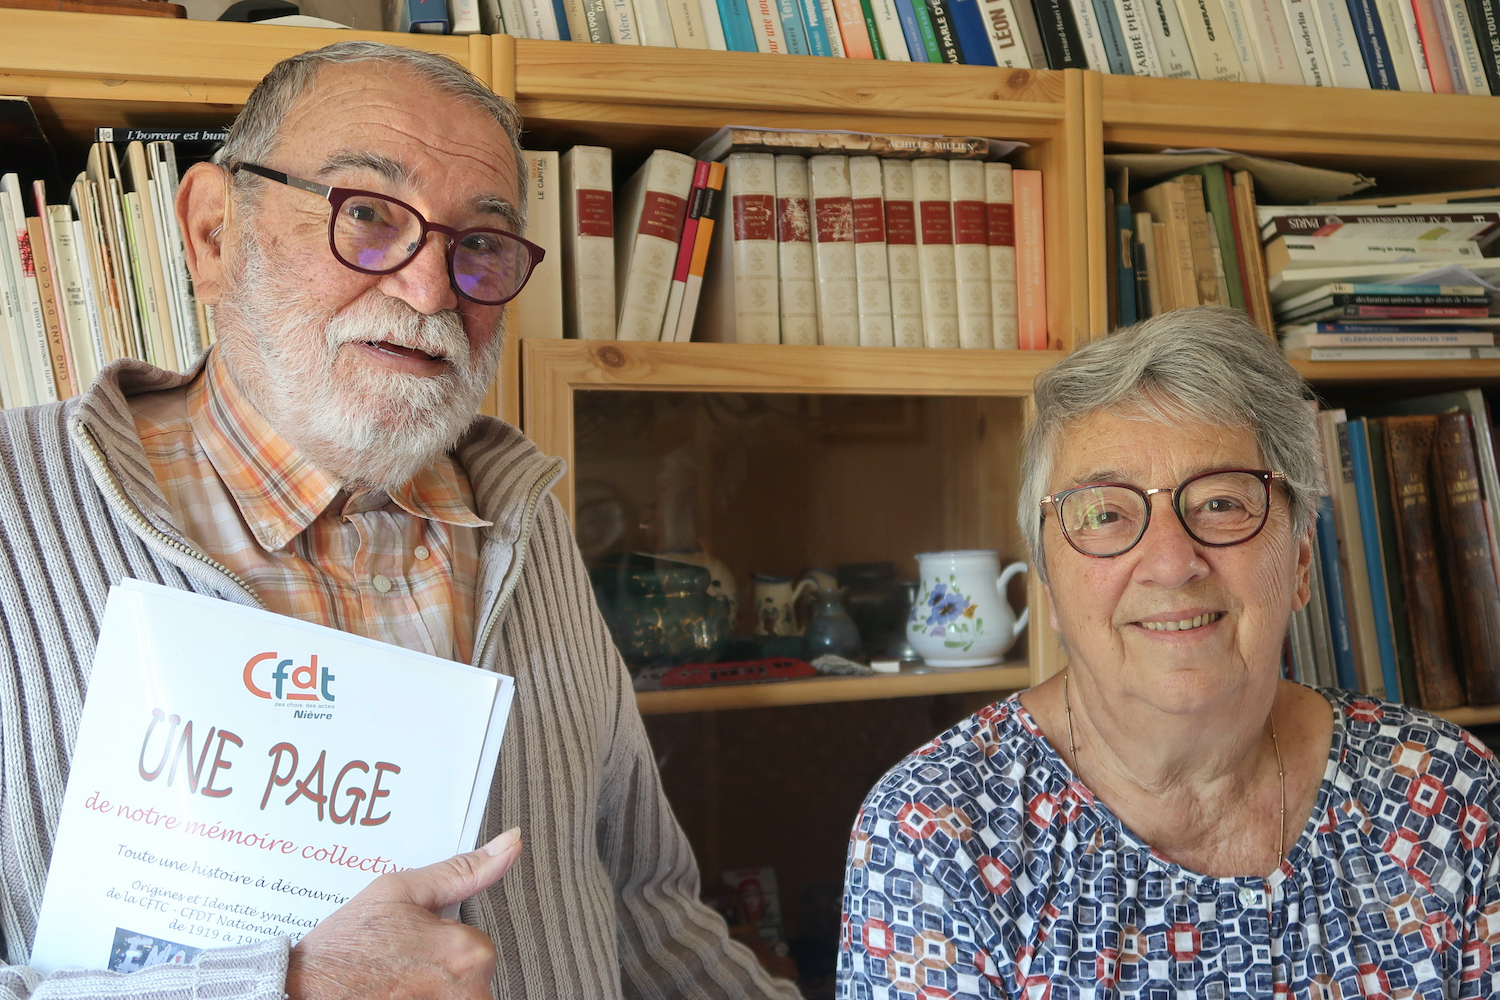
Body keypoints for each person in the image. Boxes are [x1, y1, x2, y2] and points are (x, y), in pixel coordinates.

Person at [0, 41, 798, 1000]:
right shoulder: (19, 507)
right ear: (214, 232)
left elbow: (642, 906)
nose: (429, 290)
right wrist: (286, 989)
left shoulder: (522, 521)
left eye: (480, 245)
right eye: (367, 214)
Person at [837, 307, 1500, 999]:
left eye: (1219, 503)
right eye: (1105, 513)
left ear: (1301, 560)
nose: (1171, 562)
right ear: (1050, 584)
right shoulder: (935, 831)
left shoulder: (1447, 799)